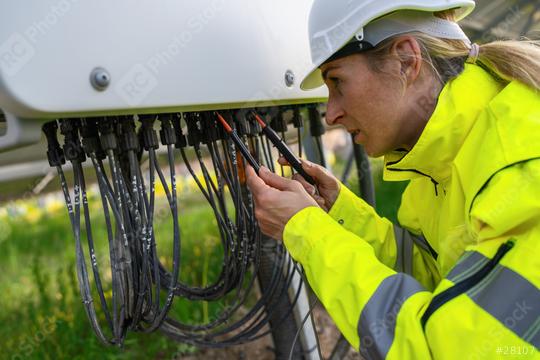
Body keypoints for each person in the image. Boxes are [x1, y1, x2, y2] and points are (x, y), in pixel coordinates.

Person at [245, 1, 540, 359]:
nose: (333, 113)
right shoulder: (440, 170)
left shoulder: (523, 167)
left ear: (406, 60)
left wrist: (306, 230)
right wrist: (339, 214)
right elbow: (437, 280)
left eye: (337, 82)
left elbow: (438, 350)